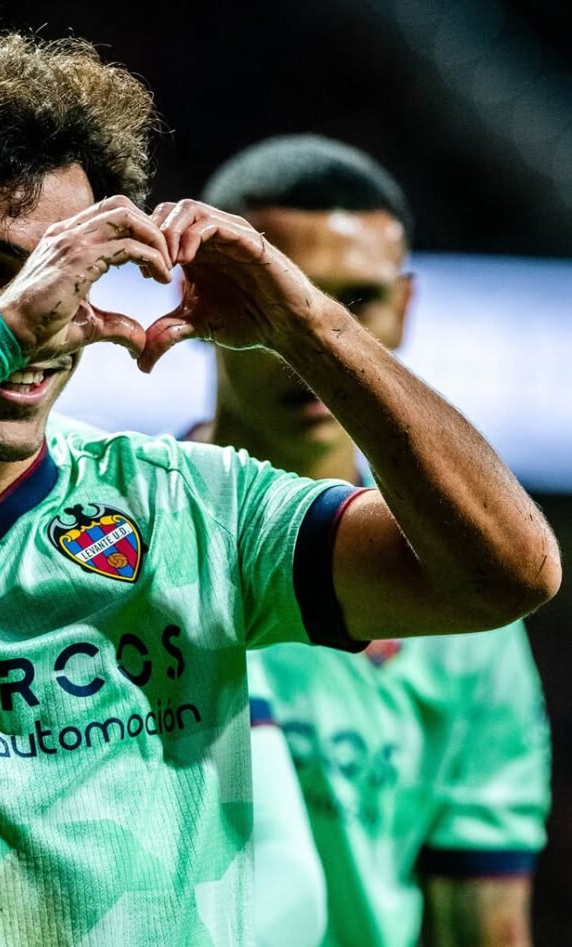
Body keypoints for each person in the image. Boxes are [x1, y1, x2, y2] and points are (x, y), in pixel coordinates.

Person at [0, 35, 559, 946]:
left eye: (70, 272)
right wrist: (4, 331)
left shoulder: (191, 506)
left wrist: (308, 321)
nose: (45, 317)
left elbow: (509, 569)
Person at [198, 134, 552, 947]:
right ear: (201, 296)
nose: (310, 343)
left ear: (405, 305)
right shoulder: (119, 540)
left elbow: (485, 925)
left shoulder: (472, 615)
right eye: (279, 300)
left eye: (351, 302)